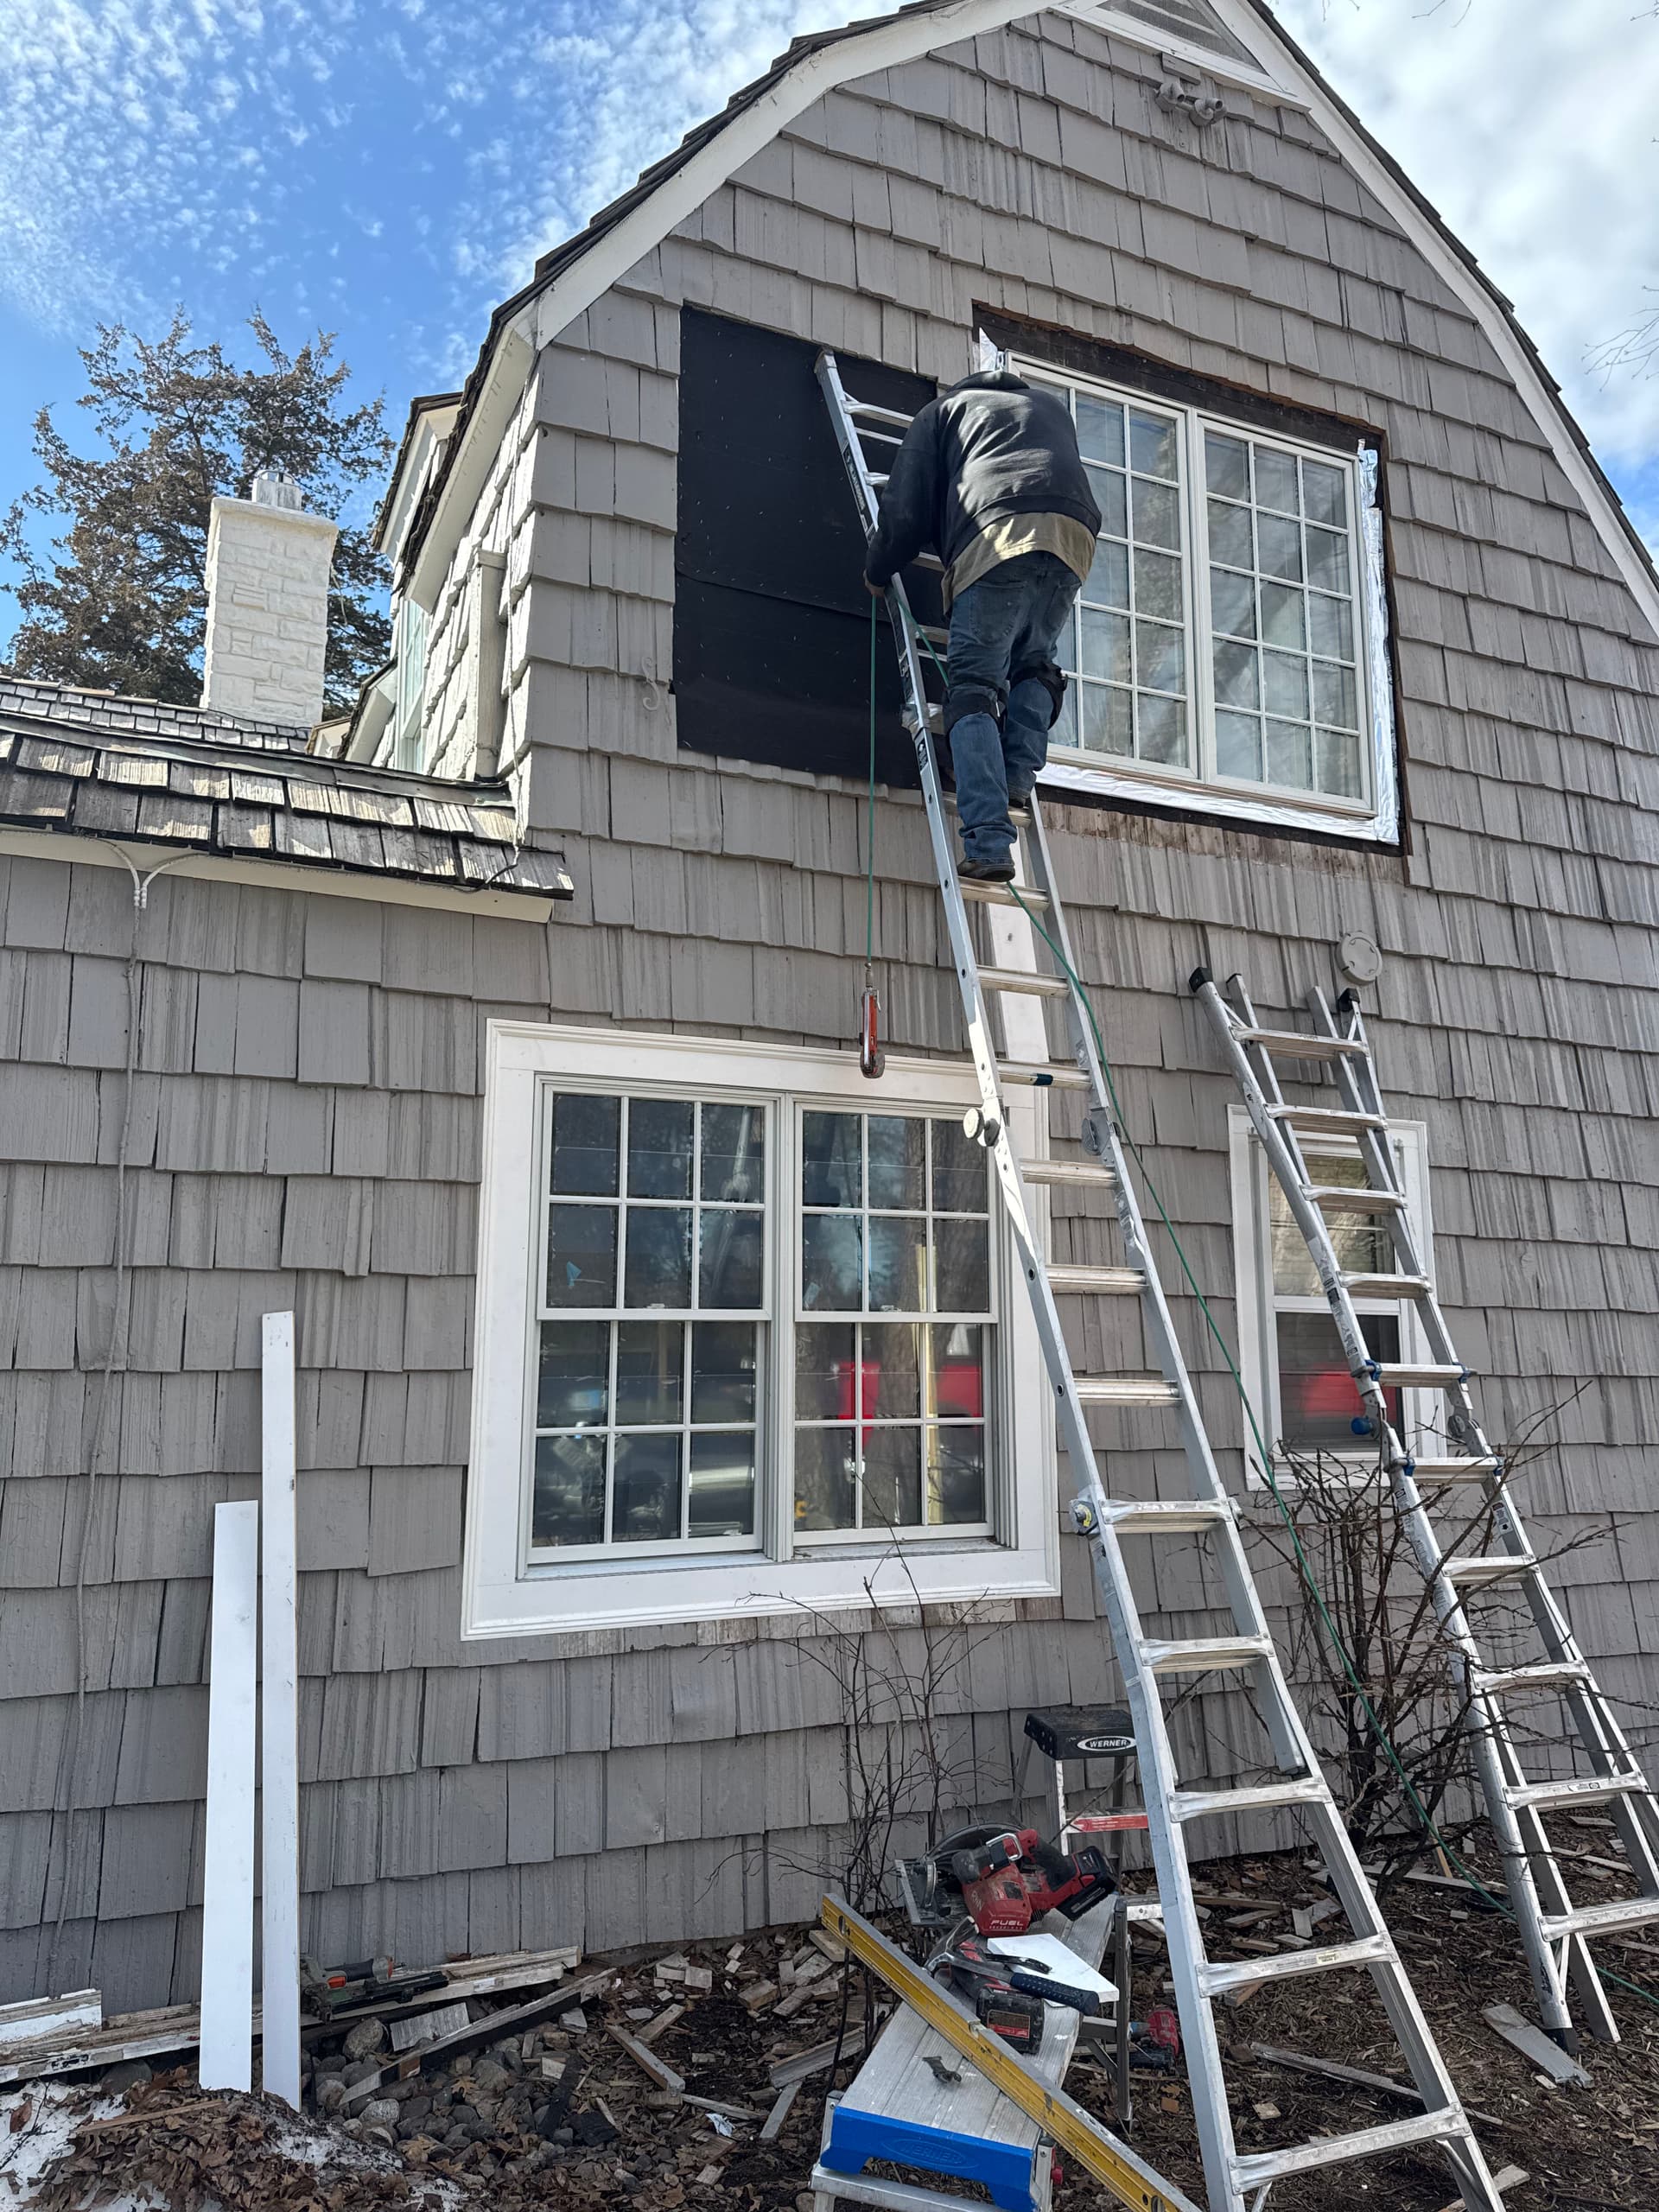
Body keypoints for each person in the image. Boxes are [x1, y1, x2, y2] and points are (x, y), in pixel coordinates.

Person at [862, 364, 1101, 882]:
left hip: (998, 529)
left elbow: (903, 514)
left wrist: (878, 572)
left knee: (973, 686)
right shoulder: (1049, 408)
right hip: (1074, 535)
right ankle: (1017, 777)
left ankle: (989, 842)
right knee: (1035, 662)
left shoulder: (943, 412)